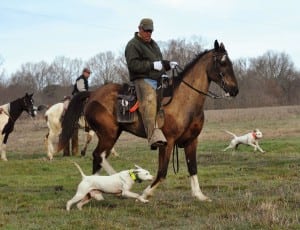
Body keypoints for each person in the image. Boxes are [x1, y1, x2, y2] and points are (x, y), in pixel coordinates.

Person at [125, 18, 178, 150]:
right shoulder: (132, 45)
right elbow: (133, 65)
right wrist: (152, 65)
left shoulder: (154, 44)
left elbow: (158, 62)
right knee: (149, 101)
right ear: (140, 29)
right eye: (146, 31)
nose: (149, 33)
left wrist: (167, 65)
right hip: (142, 79)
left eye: (151, 31)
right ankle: (153, 136)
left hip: (157, 79)